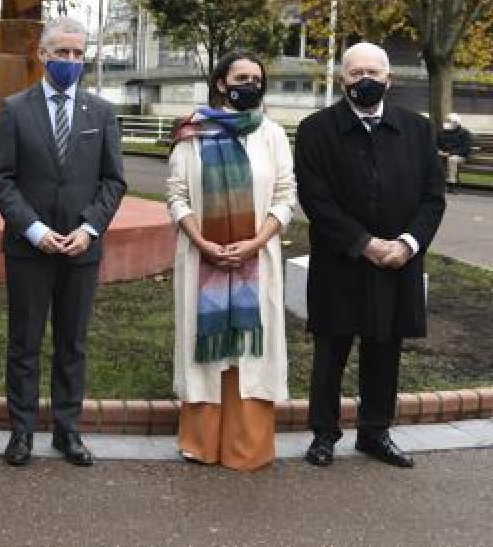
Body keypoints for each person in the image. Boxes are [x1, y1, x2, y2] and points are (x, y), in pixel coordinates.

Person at [295, 42, 446, 469]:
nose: (366, 80)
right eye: (356, 72)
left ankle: (375, 432)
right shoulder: (315, 129)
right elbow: (316, 200)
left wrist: (407, 244)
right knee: (331, 351)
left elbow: (433, 198)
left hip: (397, 263)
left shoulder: (416, 129)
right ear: (342, 78)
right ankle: (323, 433)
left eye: (374, 73)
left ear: (389, 79)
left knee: (385, 349)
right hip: (341, 260)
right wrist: (365, 243)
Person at [0, 17, 126, 467]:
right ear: (42, 55)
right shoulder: (14, 109)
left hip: (82, 250)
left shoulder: (101, 113)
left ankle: (68, 432)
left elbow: (113, 182)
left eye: (77, 54)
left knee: (73, 344)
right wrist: (36, 231)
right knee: (24, 344)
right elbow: (1, 179)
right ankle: (21, 432)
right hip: (29, 249)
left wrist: (87, 230)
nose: (70, 62)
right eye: (61, 53)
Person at [166, 51, 296, 471]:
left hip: (256, 262)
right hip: (201, 261)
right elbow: (176, 195)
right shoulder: (192, 134)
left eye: (257, 79)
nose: (250, 86)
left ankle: (247, 447)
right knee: (205, 352)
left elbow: (285, 195)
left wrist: (256, 242)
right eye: (241, 78)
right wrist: (202, 241)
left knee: (250, 353)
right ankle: (201, 444)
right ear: (221, 83)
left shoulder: (272, 135)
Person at [436, 113, 474, 193]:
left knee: (452, 159)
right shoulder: (441, 132)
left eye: (450, 121)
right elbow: (435, 143)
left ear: (456, 123)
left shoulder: (465, 133)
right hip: (443, 155)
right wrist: (438, 151)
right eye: (446, 121)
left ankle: (451, 184)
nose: (447, 123)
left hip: (459, 157)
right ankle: (434, 183)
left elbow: (465, 148)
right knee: (432, 158)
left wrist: (449, 153)